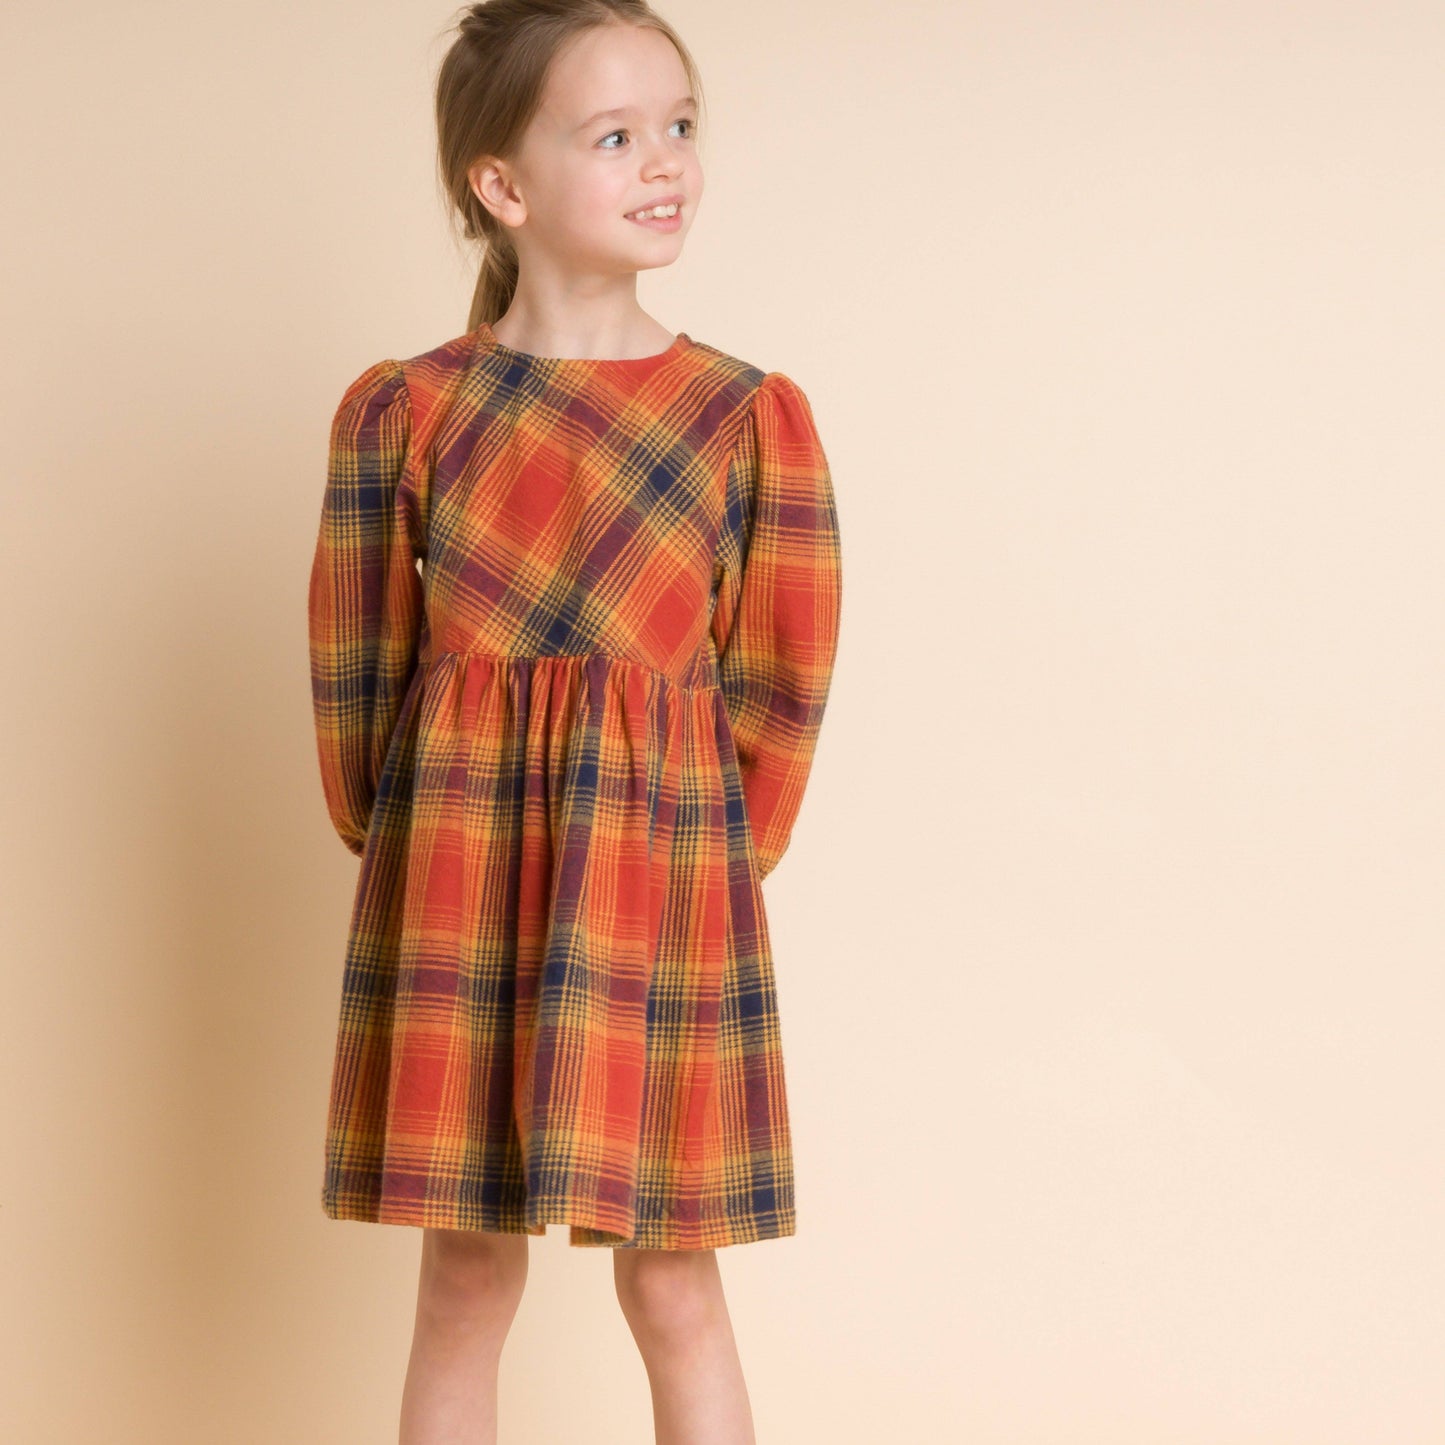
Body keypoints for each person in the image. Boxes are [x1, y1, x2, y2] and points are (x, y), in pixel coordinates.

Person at [306, 2, 842, 1439]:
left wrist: (709, 861)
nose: (666, 162)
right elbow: (357, 668)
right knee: (463, 1282)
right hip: (461, 886)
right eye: (615, 136)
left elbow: (780, 680)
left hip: (664, 891)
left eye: (678, 126)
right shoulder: (409, 411)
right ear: (504, 185)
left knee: (676, 1286)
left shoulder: (743, 417)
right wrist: (417, 842)